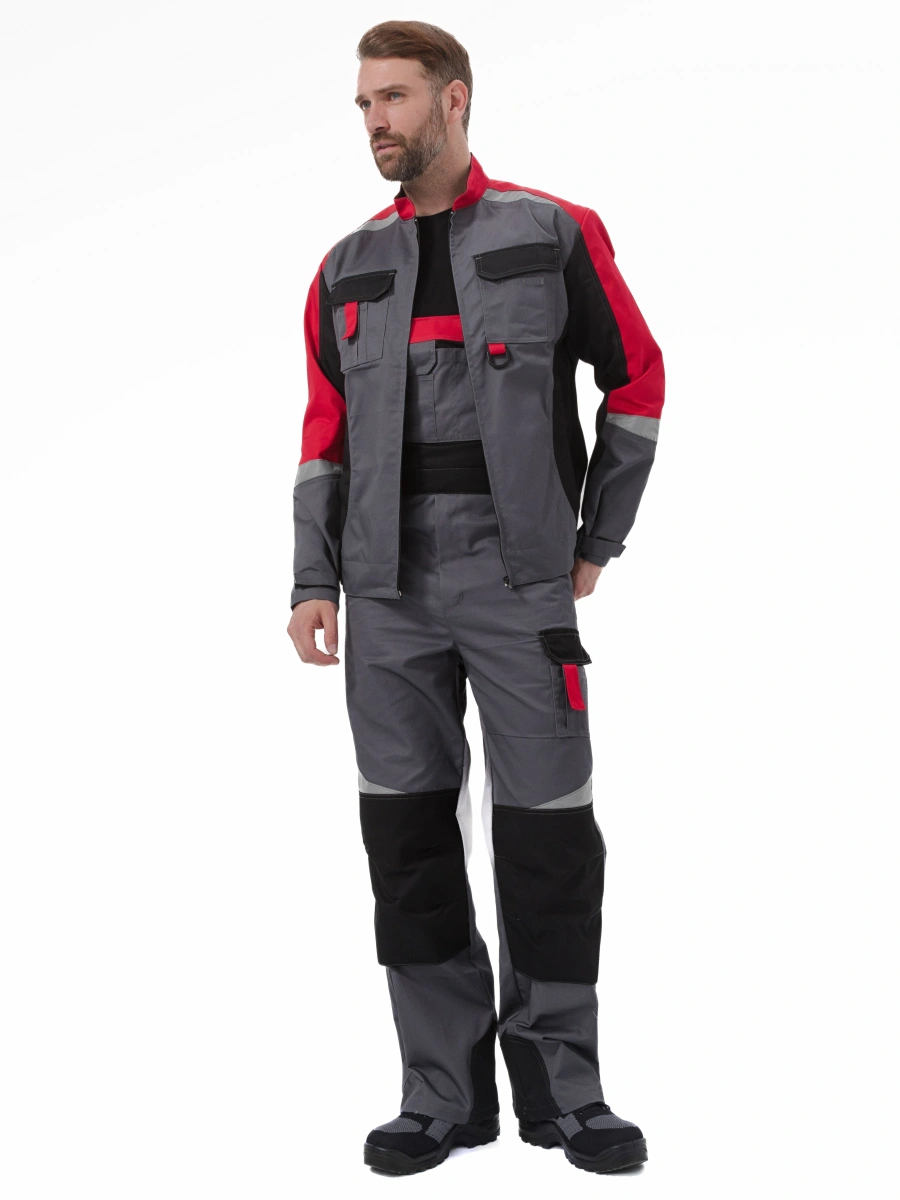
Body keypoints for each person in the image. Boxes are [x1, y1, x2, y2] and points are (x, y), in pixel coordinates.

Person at [287, 20, 664, 1177]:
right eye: (364, 103)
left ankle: (566, 1093)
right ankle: (440, 1096)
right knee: (405, 841)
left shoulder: (553, 233)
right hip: (386, 592)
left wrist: (597, 536)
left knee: (550, 836)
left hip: (518, 583)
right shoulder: (345, 267)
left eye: (394, 98)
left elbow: (638, 378)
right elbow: (322, 435)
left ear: (454, 99)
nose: (375, 121)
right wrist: (311, 578)